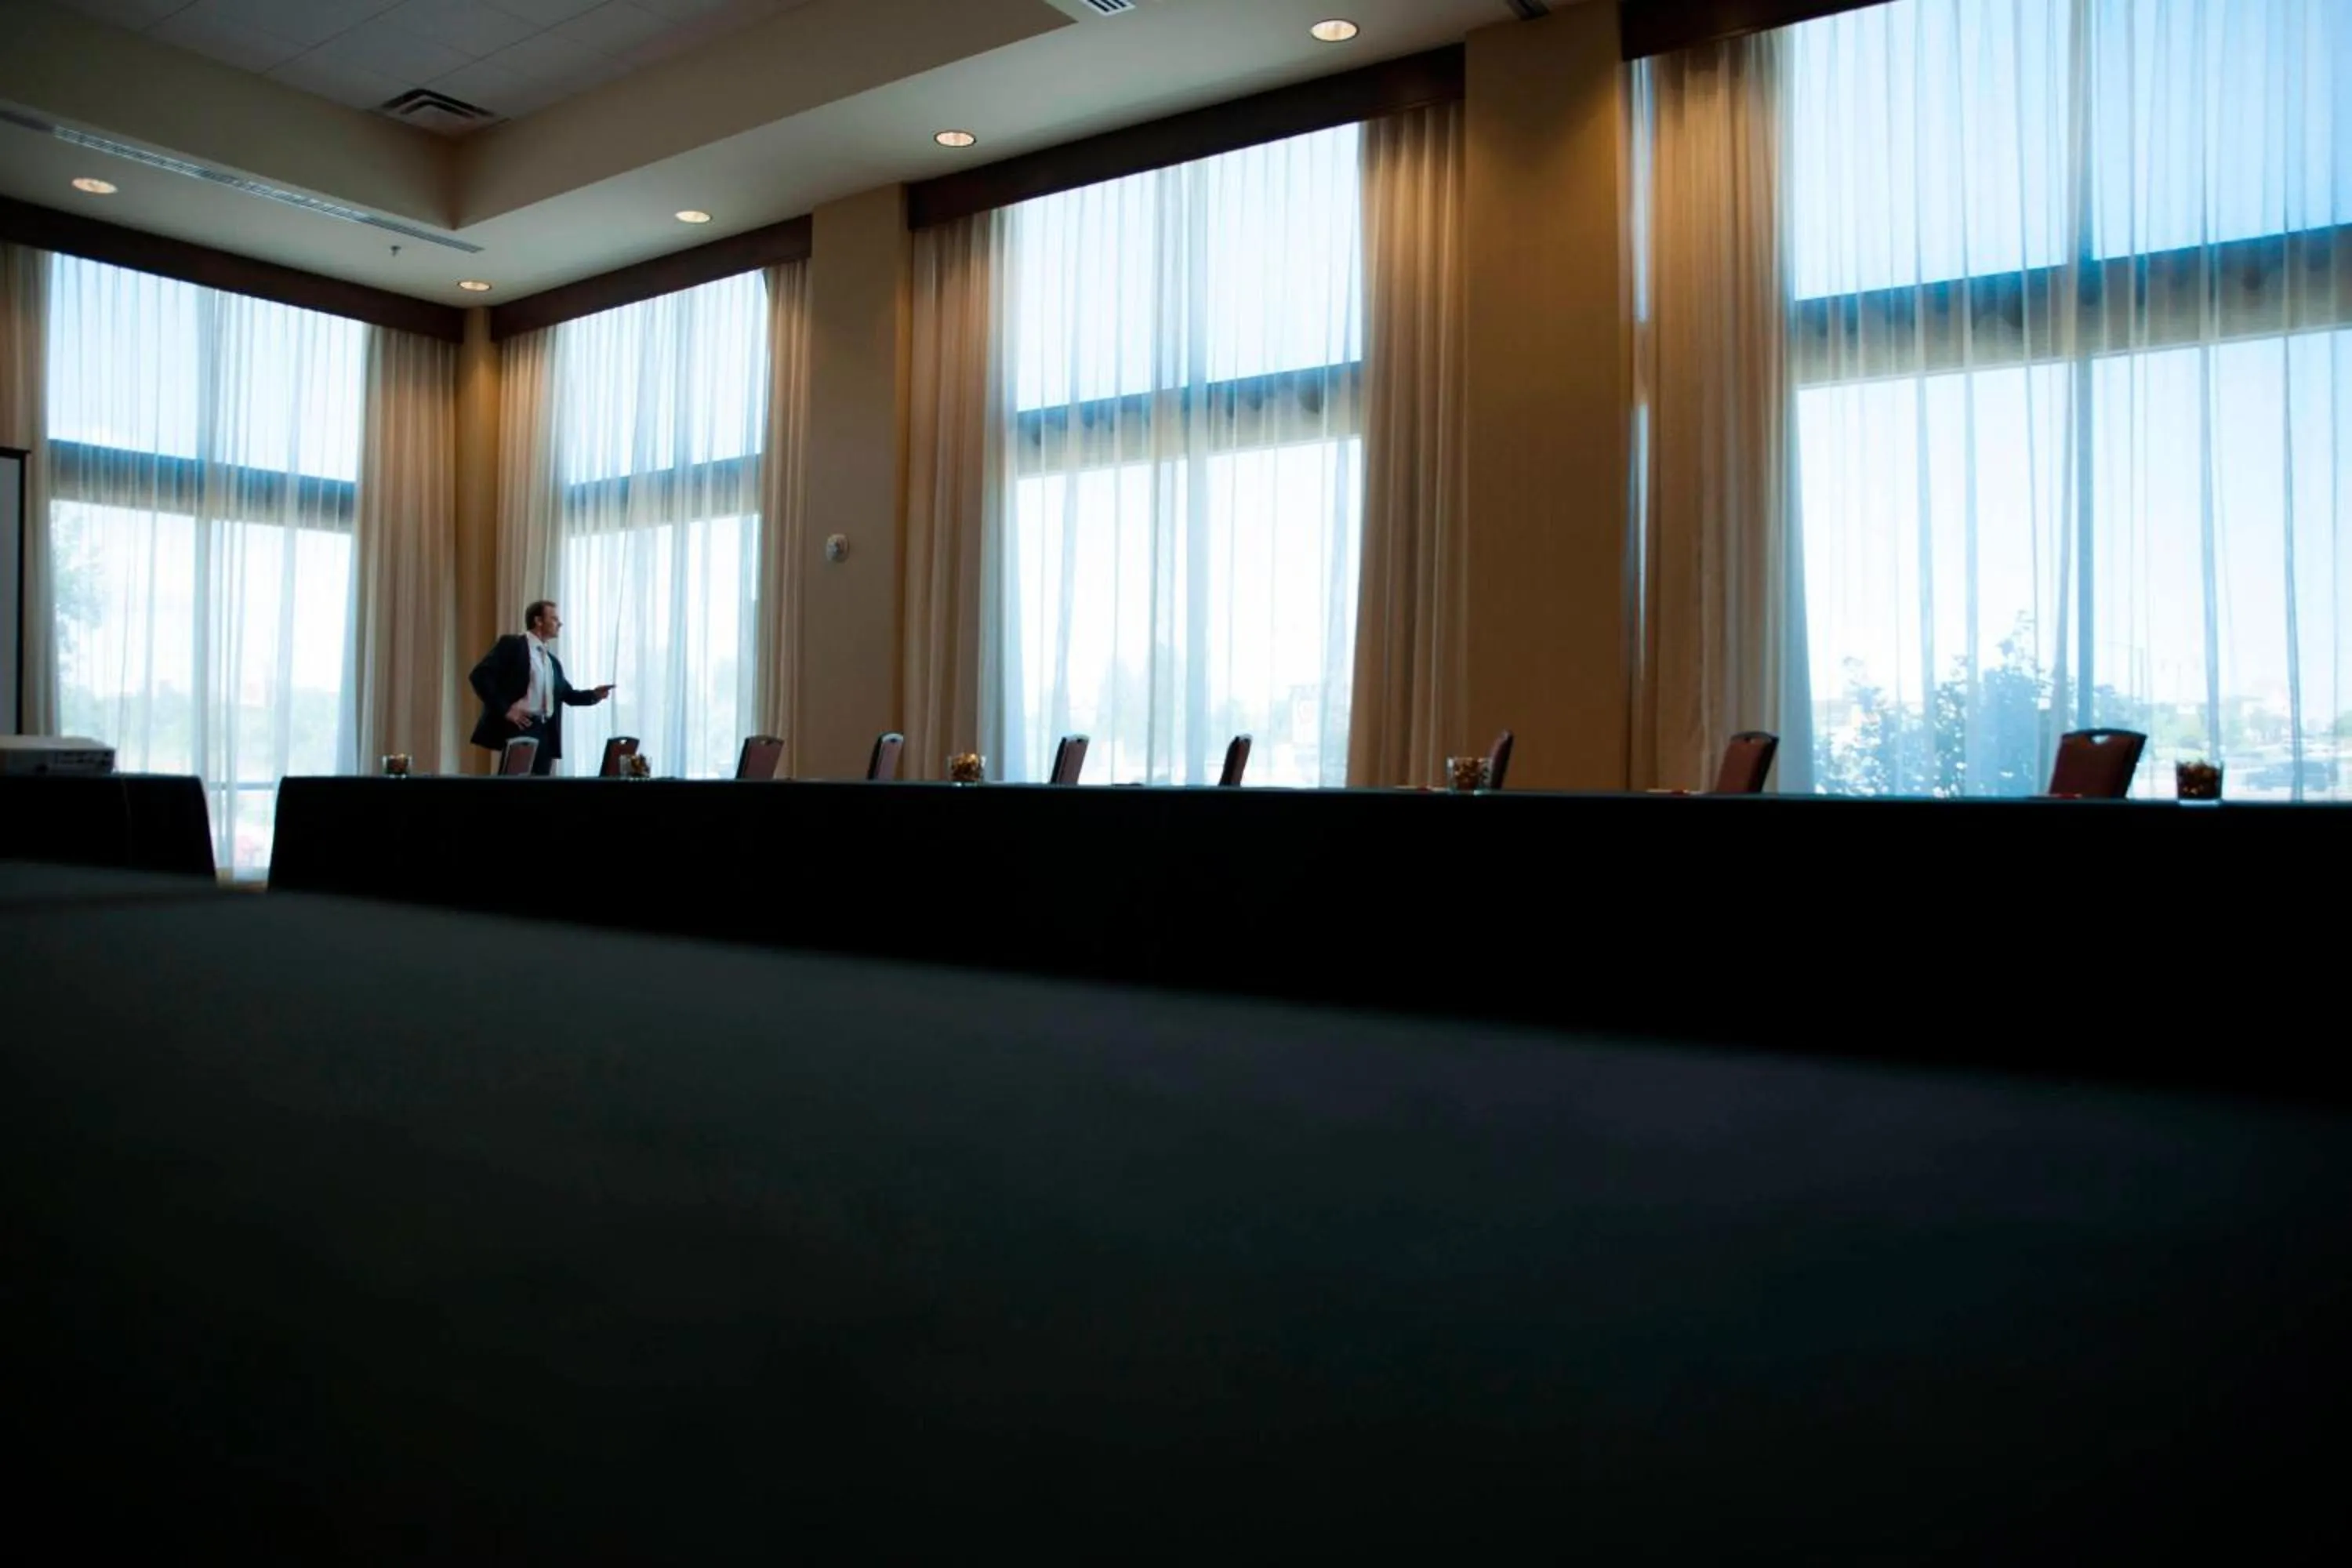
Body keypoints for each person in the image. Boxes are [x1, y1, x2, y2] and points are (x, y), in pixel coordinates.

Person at [469, 601, 613, 775]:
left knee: (542, 787)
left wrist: (594, 695)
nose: (559, 624)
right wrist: (506, 709)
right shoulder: (513, 645)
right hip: (522, 727)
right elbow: (480, 676)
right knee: (513, 787)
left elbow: (567, 694)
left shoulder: (551, 661)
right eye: (554, 619)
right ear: (538, 621)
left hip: (546, 731)